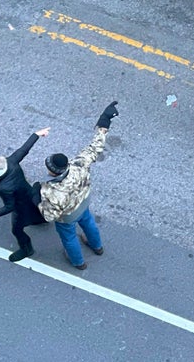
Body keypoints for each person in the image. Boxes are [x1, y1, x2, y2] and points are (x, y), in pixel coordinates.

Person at [38, 102, 119, 269]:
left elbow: (49, 216)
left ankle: (78, 262)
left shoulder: (51, 191)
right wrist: (104, 121)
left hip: (67, 216)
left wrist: (37, 199)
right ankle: (96, 246)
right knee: (89, 223)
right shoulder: (78, 165)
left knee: (69, 237)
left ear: (52, 171)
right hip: (84, 202)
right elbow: (95, 147)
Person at [0, 127, 50, 262]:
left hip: (21, 207)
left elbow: (10, 206)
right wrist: (36, 135)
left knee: (16, 230)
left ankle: (27, 249)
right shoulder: (11, 162)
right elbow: (23, 150)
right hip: (30, 194)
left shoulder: (4, 188)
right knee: (37, 211)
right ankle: (43, 219)